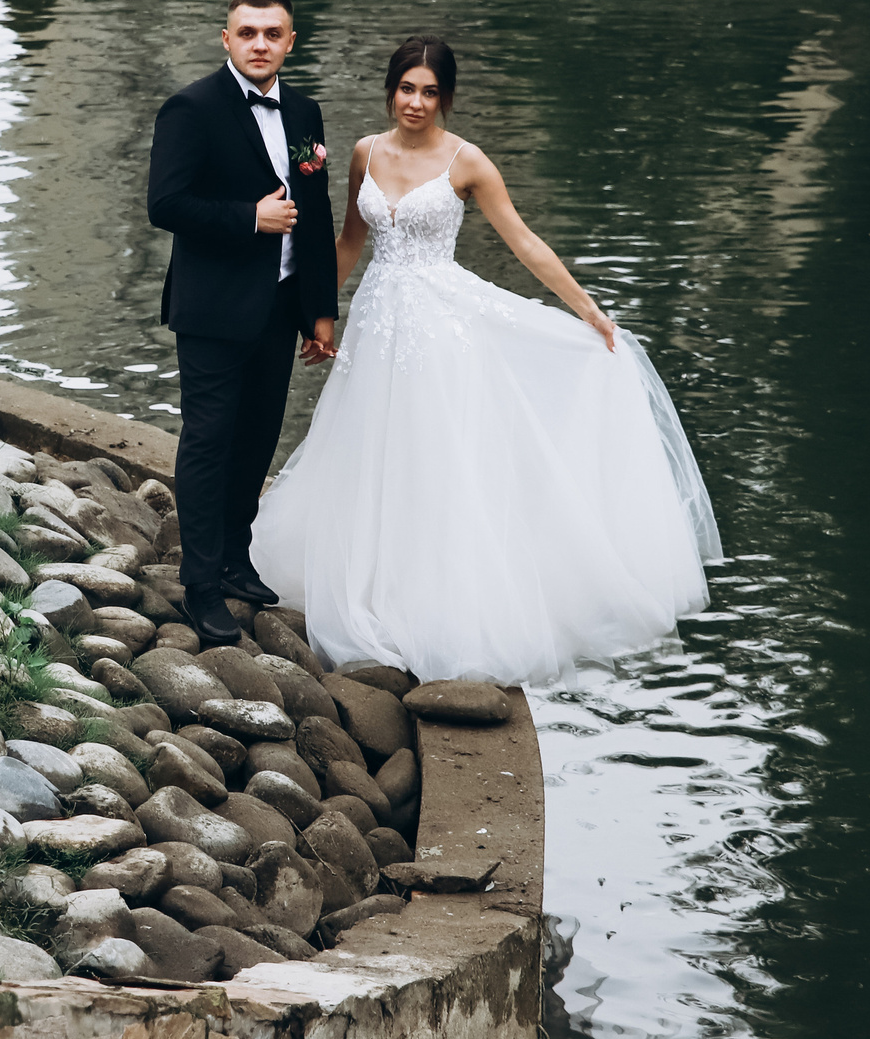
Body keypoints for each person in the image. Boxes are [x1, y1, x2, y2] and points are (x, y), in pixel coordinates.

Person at [247, 36, 722, 685]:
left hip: (440, 329)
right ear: (391, 89)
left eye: (430, 91)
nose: (416, 102)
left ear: (446, 97)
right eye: (407, 88)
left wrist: (589, 310)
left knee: (436, 461)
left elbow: (523, 239)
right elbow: (351, 241)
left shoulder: (467, 161)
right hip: (378, 326)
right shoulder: (364, 152)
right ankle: (367, 582)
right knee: (369, 453)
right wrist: (317, 313)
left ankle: (433, 605)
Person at [145, 0, 341, 648]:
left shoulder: (307, 112)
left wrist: (320, 310)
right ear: (226, 38)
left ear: (291, 41)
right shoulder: (191, 107)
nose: (260, 43)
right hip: (212, 307)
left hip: (280, 307)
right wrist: (248, 218)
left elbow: (314, 217)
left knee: (257, 438)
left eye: (273, 33)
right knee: (208, 440)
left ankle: (236, 555)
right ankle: (200, 584)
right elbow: (165, 204)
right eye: (248, 32)